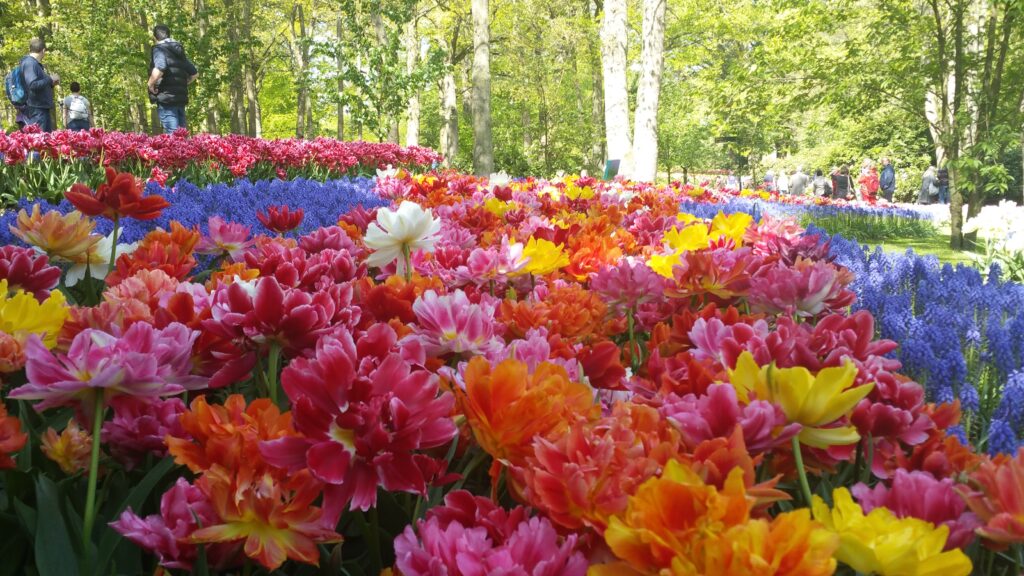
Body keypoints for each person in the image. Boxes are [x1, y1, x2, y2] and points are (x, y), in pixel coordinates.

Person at [148, 24, 198, 133]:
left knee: (172, 135)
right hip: (180, 99)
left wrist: (150, 84)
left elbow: (160, 68)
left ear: (155, 37)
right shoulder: (179, 51)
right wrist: (183, 83)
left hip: (166, 98)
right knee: (181, 134)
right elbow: (194, 73)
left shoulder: (159, 49)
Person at [19, 37, 59, 132]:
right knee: (39, 142)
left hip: (41, 108)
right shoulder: (30, 63)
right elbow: (33, 85)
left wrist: (51, 83)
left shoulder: (34, 64)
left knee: (45, 142)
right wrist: (50, 79)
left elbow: (38, 85)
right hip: (37, 110)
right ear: (43, 50)